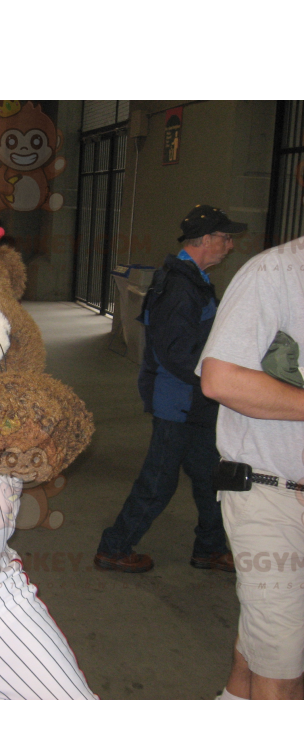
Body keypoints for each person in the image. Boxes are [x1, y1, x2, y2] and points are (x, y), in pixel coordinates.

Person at [94, 204, 246, 573]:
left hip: (194, 402)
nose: (230, 245)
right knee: (159, 482)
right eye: (225, 238)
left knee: (210, 478)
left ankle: (209, 548)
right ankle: (114, 548)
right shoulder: (181, 286)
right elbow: (177, 354)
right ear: (206, 240)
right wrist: (219, 381)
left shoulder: (191, 279)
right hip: (178, 401)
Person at [199, 233, 304, 700]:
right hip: (272, 495)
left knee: (266, 642)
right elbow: (220, 379)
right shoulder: (274, 274)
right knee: (284, 672)